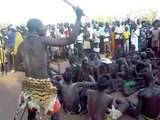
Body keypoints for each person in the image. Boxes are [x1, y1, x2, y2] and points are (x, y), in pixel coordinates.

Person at [14, 7, 84, 120]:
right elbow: (70, 40)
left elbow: (17, 66)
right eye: (43, 26)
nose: (45, 28)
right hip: (43, 86)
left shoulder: (21, 46)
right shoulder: (43, 40)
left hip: (29, 86)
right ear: (37, 28)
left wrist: (30, 69)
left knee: (31, 115)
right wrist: (78, 18)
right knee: (55, 115)